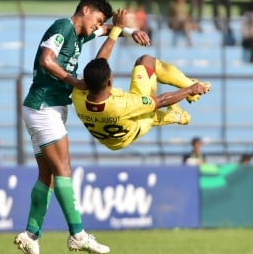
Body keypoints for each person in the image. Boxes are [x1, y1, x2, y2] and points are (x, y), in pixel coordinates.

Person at [14, 0, 150, 254]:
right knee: (63, 168)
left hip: (46, 109)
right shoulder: (64, 27)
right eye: (97, 19)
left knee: (48, 175)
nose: (97, 26)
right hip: (44, 107)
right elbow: (46, 59)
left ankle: (30, 235)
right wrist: (73, 80)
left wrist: (132, 31)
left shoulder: (80, 35)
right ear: (85, 10)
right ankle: (77, 235)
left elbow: (107, 32)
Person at [71, 9, 211, 151]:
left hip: (106, 137)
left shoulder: (78, 95)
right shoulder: (124, 104)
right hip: (133, 130)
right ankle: (176, 115)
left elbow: (99, 63)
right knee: (146, 62)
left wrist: (117, 29)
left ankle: (181, 100)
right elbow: (161, 101)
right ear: (109, 82)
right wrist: (190, 90)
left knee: (139, 107)